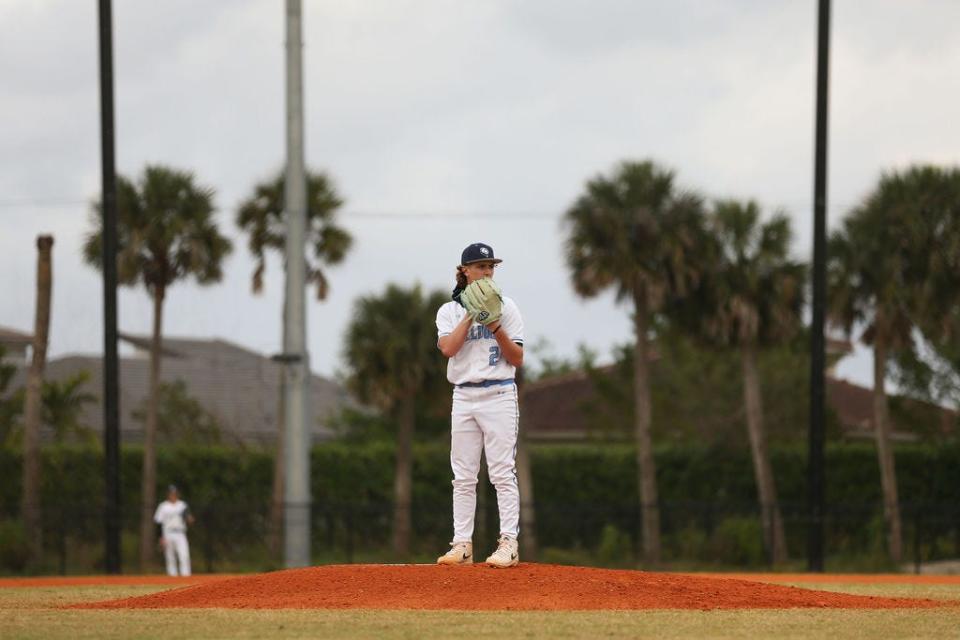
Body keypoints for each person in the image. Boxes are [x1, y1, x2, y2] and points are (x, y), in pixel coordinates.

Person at [435, 242, 524, 568]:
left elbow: (517, 358)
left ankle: (509, 543)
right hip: (463, 394)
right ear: (465, 272)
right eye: (481, 267)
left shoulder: (507, 307)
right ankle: (462, 545)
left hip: (499, 393)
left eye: (491, 267)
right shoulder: (449, 311)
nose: (487, 272)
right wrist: (473, 313)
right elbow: (448, 349)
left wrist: (495, 326)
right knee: (463, 476)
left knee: (502, 473)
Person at [154, 484, 195, 576]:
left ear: (177, 494)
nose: (172, 495)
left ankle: (186, 577)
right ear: (167, 494)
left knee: (184, 556)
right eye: (171, 493)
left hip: (180, 533)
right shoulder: (163, 506)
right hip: (167, 533)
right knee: (170, 557)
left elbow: (189, 518)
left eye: (174, 493)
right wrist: (161, 537)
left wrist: (190, 519)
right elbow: (158, 522)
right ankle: (172, 578)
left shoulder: (182, 505)